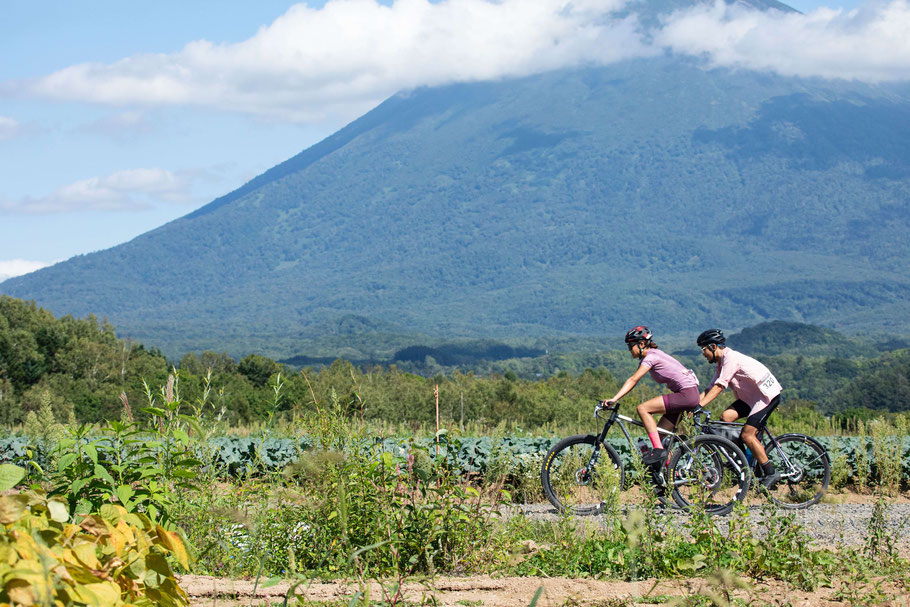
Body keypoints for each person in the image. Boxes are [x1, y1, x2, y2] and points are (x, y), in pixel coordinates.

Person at [695, 328, 783, 489]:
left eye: (704, 349)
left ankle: (770, 472)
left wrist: (700, 406)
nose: (703, 354)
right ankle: (742, 461)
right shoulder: (721, 364)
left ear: (713, 347)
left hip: (766, 396)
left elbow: (719, 387)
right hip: (750, 399)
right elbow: (709, 388)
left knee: (748, 435)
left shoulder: (731, 359)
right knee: (726, 418)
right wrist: (693, 405)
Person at [601, 326, 700, 466]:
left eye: (631, 346)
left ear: (641, 344)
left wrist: (614, 399)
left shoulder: (651, 357)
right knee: (659, 436)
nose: (629, 350)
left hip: (686, 395)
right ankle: (670, 474)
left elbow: (633, 379)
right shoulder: (655, 354)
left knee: (643, 408)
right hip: (689, 394)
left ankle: (659, 450)